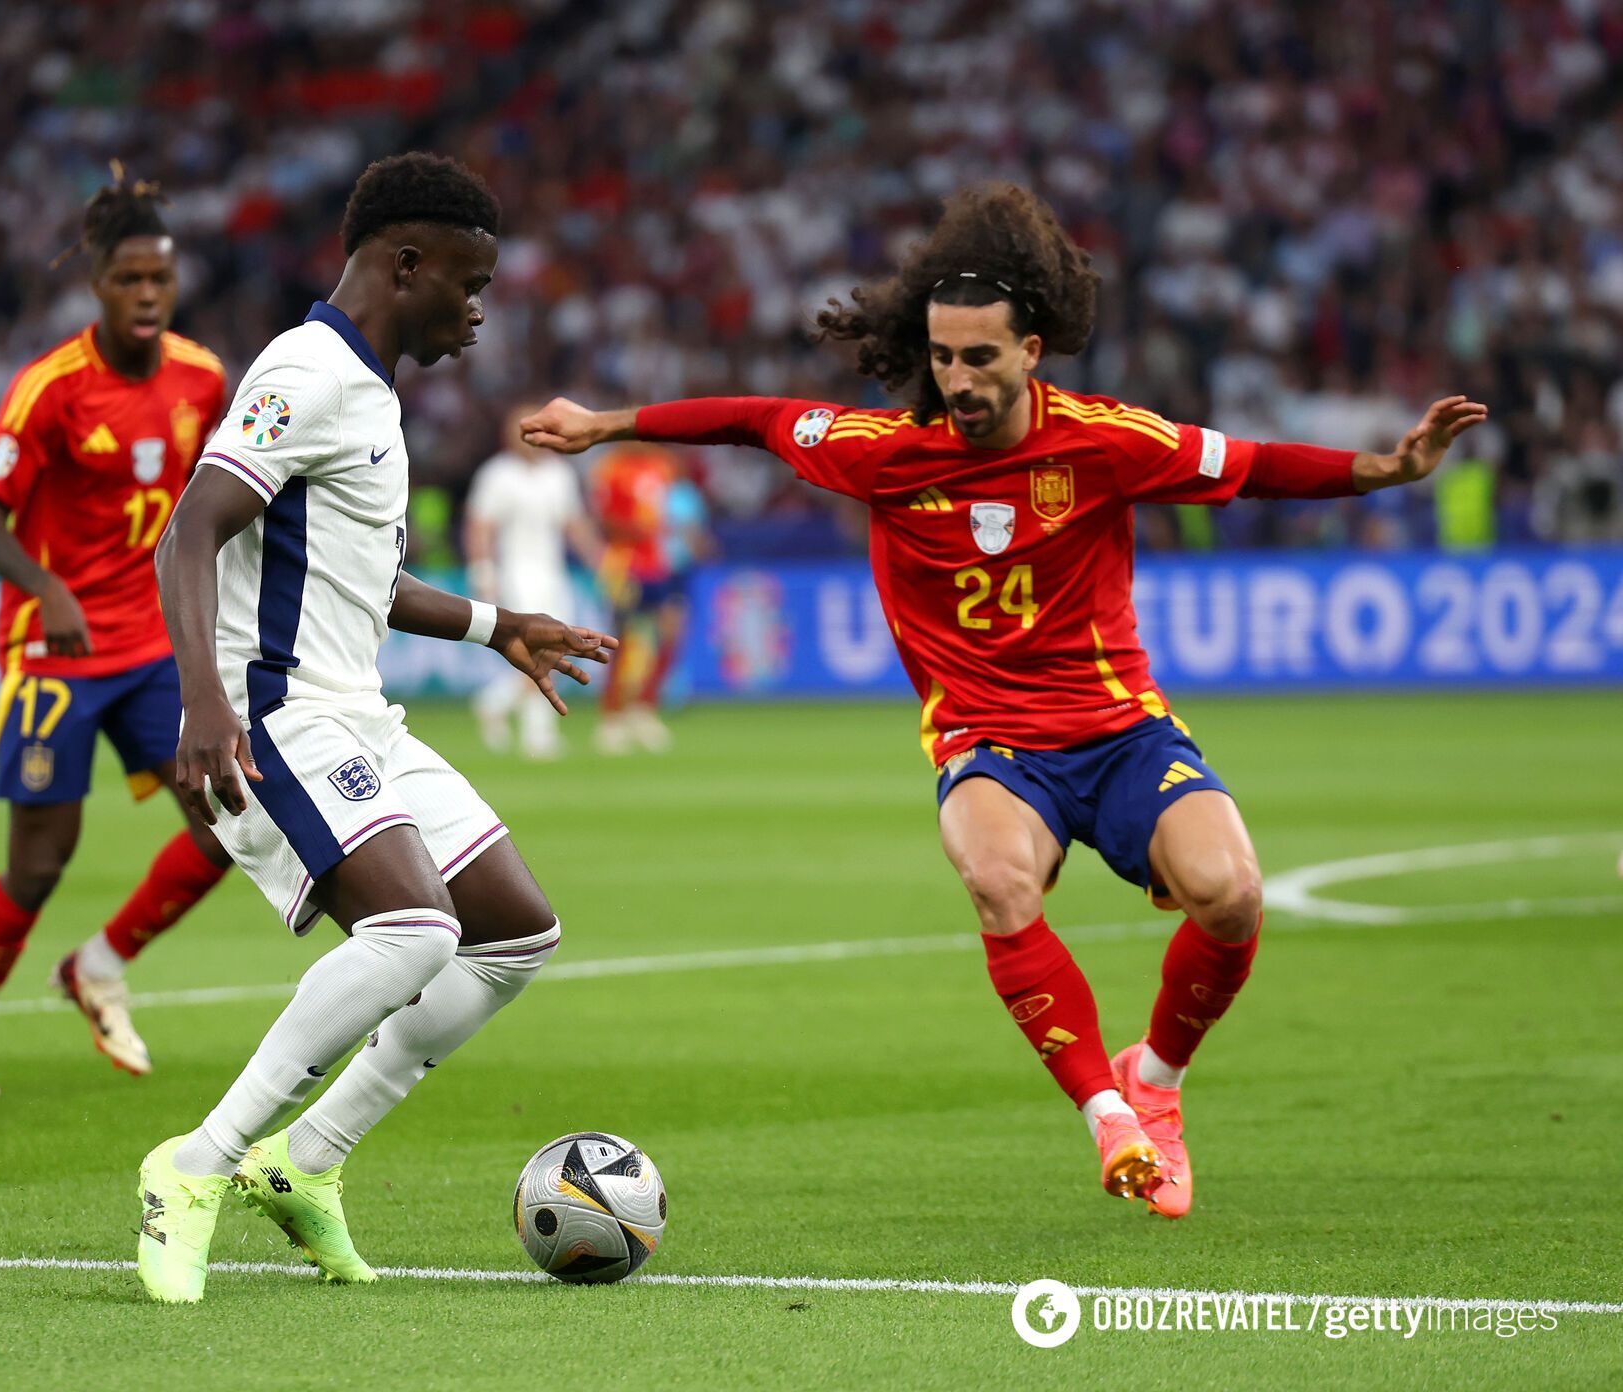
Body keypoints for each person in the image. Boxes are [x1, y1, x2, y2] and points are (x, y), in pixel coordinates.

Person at [521, 183, 1487, 1219]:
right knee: (995, 880)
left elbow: (1246, 466)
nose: (956, 379)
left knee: (1233, 896)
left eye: (979, 358)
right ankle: (1104, 1118)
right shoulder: (885, 455)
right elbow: (757, 420)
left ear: (1032, 350)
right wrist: (607, 424)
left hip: (1119, 730)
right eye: (941, 358)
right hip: (987, 742)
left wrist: (1383, 470)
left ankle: (1152, 1083)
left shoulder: (1106, 442)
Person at [135, 153, 615, 1303]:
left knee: (511, 932)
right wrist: (203, 701)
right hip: (273, 709)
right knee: (412, 931)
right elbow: (189, 531)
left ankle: (306, 1161)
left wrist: (496, 625)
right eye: (469, 278)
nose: (479, 305)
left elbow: (365, 582)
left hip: (358, 712)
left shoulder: (372, 397)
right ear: (406, 264)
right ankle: (193, 1165)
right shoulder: (305, 371)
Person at [0, 166, 232, 1099]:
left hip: (150, 647)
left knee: (227, 825)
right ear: (95, 283)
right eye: (128, 280)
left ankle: (98, 964)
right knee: (41, 861)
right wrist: (45, 585)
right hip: (55, 653)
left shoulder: (203, 378)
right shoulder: (49, 389)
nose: (146, 296)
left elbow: (217, 503)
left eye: (160, 281)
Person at [465, 404, 604, 758]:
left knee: (560, 647)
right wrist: (483, 571)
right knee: (536, 648)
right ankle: (538, 733)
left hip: (552, 573)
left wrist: (600, 560)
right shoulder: (498, 475)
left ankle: (495, 701)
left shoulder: (559, 474)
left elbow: (574, 524)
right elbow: (480, 525)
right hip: (516, 573)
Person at [589, 442, 682, 752]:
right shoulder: (612, 468)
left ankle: (644, 708)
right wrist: (637, 529)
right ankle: (612, 716)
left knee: (670, 632)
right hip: (626, 563)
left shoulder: (663, 465)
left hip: (659, 564)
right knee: (623, 638)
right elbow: (604, 520)